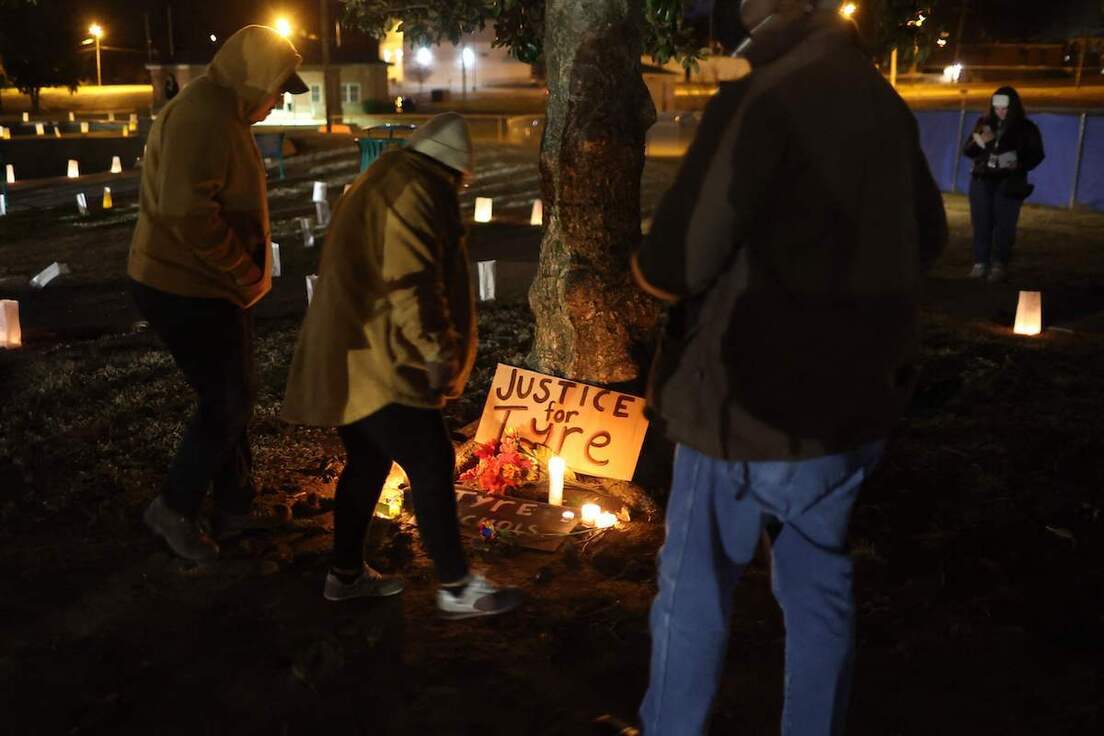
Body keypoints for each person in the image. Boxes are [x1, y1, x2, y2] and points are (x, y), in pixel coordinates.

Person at [625, 1, 947, 734]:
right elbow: (928, 236)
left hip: (746, 402)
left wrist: (652, 264)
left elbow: (675, 264)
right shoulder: (880, 98)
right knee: (819, 587)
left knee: (695, 587)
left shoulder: (761, 93)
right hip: (854, 404)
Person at [281, 113, 522, 619]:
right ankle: (456, 586)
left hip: (353, 351)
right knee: (432, 462)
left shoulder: (385, 180)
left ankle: (344, 575)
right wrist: (435, 350)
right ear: (452, 171)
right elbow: (410, 278)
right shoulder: (418, 190)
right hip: (382, 357)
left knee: (368, 461)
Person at [130, 25, 309, 562]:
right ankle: (174, 508)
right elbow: (187, 214)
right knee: (227, 401)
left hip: (208, 285)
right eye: (278, 89)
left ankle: (234, 510)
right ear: (254, 78)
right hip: (184, 285)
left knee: (232, 395)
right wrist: (240, 271)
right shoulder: (203, 117)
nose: (278, 103)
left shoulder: (222, 112)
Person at [963, 86, 1044, 283]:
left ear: (1013, 107)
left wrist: (1016, 162)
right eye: (997, 107)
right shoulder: (984, 124)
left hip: (1009, 182)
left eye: (1005, 108)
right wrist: (979, 141)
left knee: (1005, 225)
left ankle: (999, 263)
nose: (1000, 111)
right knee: (981, 222)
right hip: (982, 179)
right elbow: (968, 150)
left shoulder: (1026, 128)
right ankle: (980, 262)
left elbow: (1036, 155)